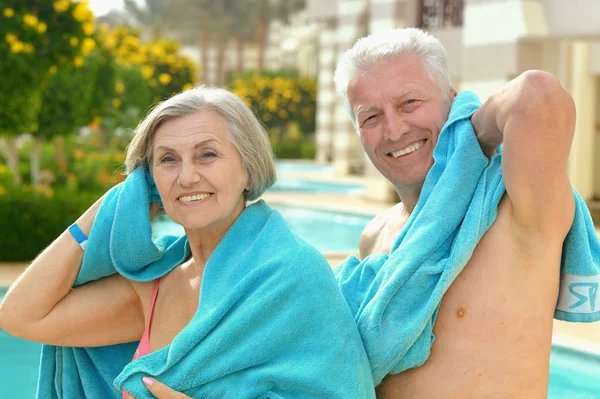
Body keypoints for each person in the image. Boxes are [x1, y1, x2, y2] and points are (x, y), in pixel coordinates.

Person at [0, 86, 375, 398]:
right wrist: (110, 207)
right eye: (167, 160)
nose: (187, 176)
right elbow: (21, 315)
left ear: (248, 168)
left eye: (207, 154)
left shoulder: (292, 276)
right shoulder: (155, 287)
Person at [331, 28, 577, 398]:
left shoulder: (516, 209)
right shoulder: (376, 235)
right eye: (371, 118)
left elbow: (537, 94)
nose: (395, 130)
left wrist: (464, 139)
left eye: (410, 102)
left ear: (453, 103)